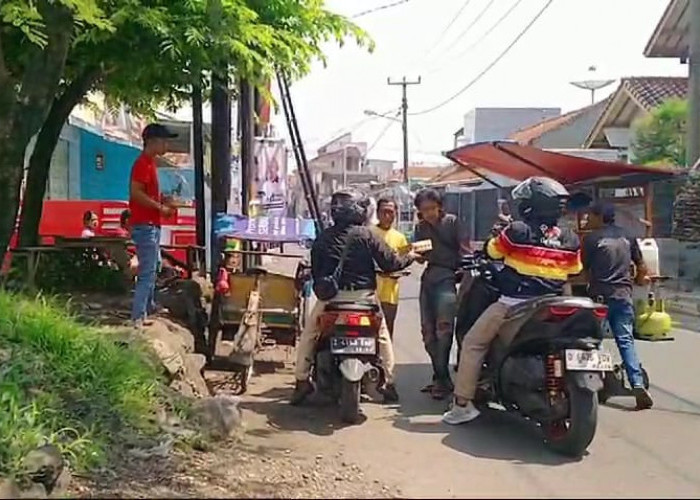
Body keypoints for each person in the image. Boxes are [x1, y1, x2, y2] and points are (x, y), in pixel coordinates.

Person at [443, 177, 583, 425]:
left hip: (514, 304)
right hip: (555, 303)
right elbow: (574, 269)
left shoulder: (518, 231)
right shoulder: (571, 238)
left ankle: (462, 404)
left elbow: (493, 251)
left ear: (531, 205)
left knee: (473, 343)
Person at [290, 189, 418, 406]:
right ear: (360, 210)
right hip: (364, 299)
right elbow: (391, 263)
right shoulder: (367, 235)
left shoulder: (323, 238)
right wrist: (411, 256)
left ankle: (302, 380)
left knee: (310, 334)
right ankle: (389, 381)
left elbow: (317, 271)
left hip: (332, 300)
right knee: (383, 336)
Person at [582, 202, 654, 410]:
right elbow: (641, 267)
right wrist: (640, 280)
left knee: (593, 341)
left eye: (590, 216)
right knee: (626, 341)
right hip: (623, 296)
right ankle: (637, 384)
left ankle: (597, 384)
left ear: (600, 216)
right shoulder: (627, 236)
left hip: (599, 298)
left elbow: (582, 270)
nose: (588, 220)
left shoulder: (592, 239)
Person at [413, 188, 470, 400]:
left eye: (431, 208)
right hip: (428, 280)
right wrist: (414, 254)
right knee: (428, 334)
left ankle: (441, 379)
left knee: (444, 331)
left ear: (440, 207)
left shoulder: (453, 223)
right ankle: (441, 377)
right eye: (423, 209)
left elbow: (465, 251)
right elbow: (420, 257)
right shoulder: (420, 228)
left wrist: (463, 274)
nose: (428, 213)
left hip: (448, 279)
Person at [129, 123, 177, 329]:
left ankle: (148, 306)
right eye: (164, 140)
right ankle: (137, 316)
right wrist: (160, 207)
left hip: (151, 224)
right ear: (153, 142)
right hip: (145, 224)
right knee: (148, 270)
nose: (167, 145)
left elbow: (145, 193)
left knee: (153, 265)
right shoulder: (142, 164)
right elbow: (136, 193)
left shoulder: (150, 164)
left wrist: (163, 200)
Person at [373, 196, 410, 339]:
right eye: (384, 212)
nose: (387, 216)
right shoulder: (369, 233)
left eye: (391, 212)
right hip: (370, 292)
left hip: (390, 294)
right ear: (377, 213)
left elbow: (405, 259)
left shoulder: (400, 238)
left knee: (387, 332)